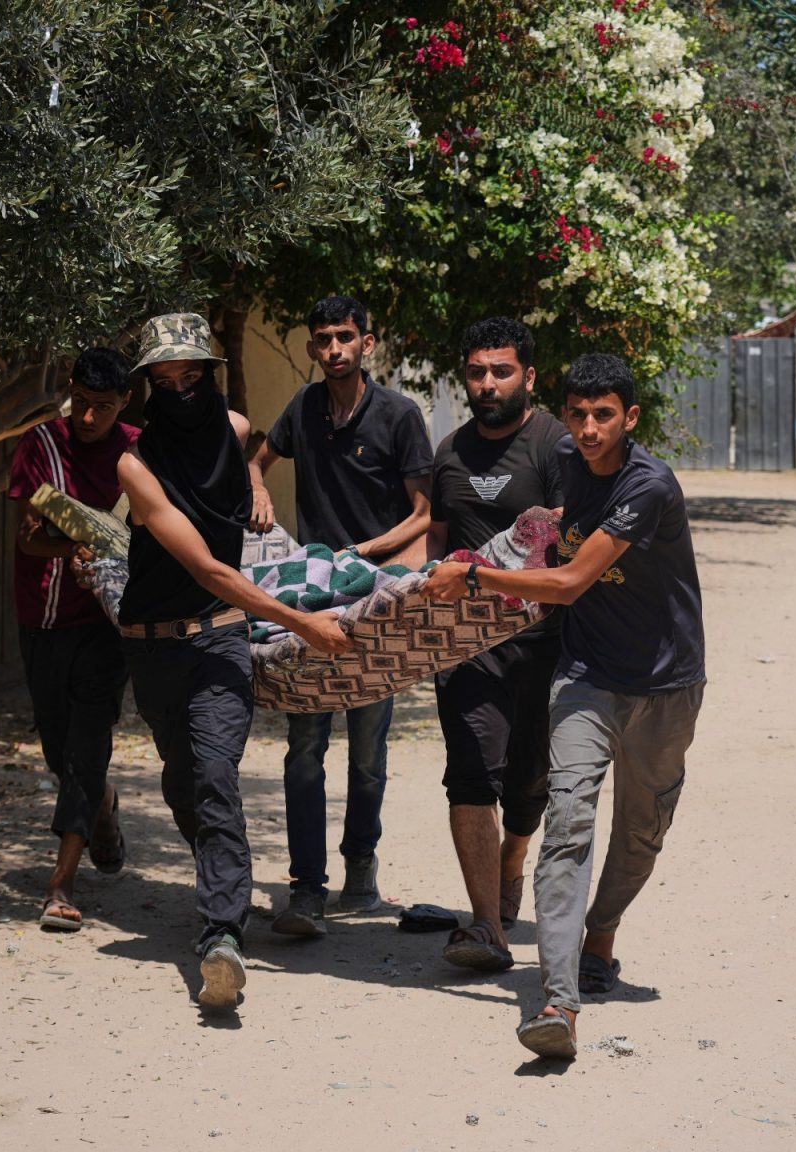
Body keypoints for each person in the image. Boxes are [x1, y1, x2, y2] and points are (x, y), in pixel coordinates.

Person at [426, 353, 707, 1060]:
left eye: (602, 415)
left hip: (666, 687)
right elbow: (554, 526)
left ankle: (601, 936)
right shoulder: (563, 460)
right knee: (567, 827)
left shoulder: (649, 485)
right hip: (585, 678)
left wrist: (473, 576)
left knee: (640, 832)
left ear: (630, 418)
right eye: (577, 414)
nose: (587, 429)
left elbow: (575, 579)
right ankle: (558, 1002)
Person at [116, 313, 353, 1012]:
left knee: (216, 774)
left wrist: (257, 486)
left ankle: (221, 936)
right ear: (147, 387)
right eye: (164, 381)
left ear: (210, 375)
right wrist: (301, 623)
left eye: (191, 377)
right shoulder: (135, 465)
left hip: (220, 637)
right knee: (184, 781)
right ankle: (221, 874)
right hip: (153, 642)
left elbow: (249, 464)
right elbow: (206, 566)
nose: (180, 392)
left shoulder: (238, 428)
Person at [252, 296, 434, 936]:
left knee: (367, 751)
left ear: (367, 344)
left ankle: (360, 865)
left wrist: (363, 551)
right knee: (304, 748)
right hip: (310, 602)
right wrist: (257, 488)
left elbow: (422, 516)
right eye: (324, 338)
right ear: (313, 348)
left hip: (376, 601)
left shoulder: (399, 415)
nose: (335, 348)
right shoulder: (302, 408)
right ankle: (306, 889)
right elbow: (257, 459)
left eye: (346, 337)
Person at [425, 317, 565, 972]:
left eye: (501, 371)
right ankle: (486, 926)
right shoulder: (450, 452)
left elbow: (571, 538)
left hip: (543, 643)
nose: (487, 383)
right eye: (477, 371)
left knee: (530, 781)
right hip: (465, 646)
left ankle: (514, 855)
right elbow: (437, 534)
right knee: (471, 772)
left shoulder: (555, 446)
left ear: (528, 376)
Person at [9, 346, 139, 934]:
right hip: (43, 619)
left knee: (87, 747)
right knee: (59, 750)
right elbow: (27, 539)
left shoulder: (139, 452)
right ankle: (103, 806)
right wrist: (73, 547)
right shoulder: (39, 445)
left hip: (107, 625)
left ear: (125, 402)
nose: (88, 417)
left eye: (102, 407)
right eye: (80, 402)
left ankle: (60, 885)